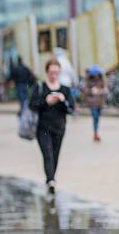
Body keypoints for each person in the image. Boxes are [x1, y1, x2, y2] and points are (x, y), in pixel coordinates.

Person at [29, 58, 75, 195]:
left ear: (59, 73)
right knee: (48, 154)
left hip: (59, 128)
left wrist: (62, 100)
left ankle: (50, 179)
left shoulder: (65, 90)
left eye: (56, 72)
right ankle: (51, 180)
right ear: (47, 72)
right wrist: (46, 101)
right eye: (51, 72)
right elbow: (32, 105)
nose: (53, 75)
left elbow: (71, 109)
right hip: (43, 128)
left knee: (55, 155)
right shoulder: (40, 87)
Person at [82, 65, 107, 142]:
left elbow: (105, 89)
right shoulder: (89, 80)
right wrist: (92, 90)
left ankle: (96, 132)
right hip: (92, 102)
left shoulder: (102, 80)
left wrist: (101, 90)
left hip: (100, 102)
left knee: (97, 118)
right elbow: (85, 90)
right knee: (95, 117)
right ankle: (95, 133)